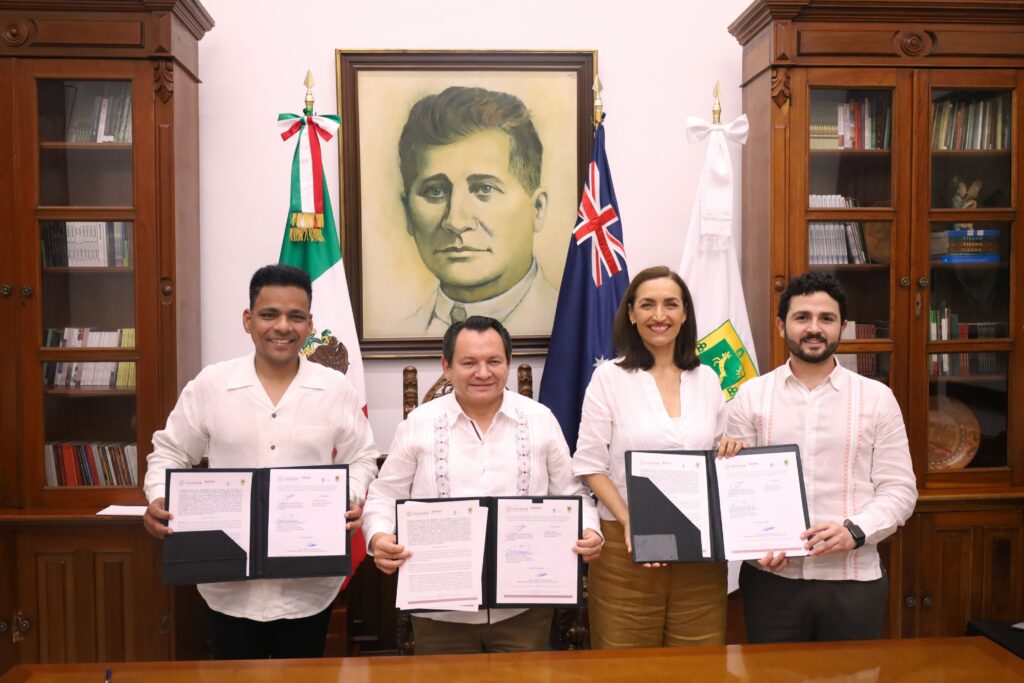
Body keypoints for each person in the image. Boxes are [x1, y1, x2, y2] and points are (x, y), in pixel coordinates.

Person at [141, 264, 380, 659]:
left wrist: (349, 497)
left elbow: (362, 457)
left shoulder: (336, 389)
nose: (282, 326)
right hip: (227, 585)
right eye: (269, 314)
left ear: (310, 324)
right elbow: (171, 451)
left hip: (308, 588)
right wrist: (158, 498)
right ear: (248, 320)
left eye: (296, 316)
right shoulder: (212, 385)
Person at [361, 315, 602, 654]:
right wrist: (379, 537)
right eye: (469, 363)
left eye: (494, 361)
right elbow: (384, 495)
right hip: (440, 611)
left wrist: (590, 530)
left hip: (525, 609)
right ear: (447, 367)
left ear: (508, 363)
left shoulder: (541, 420)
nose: (483, 372)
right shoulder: (419, 424)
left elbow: (572, 494)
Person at [719, 271, 917, 643]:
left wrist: (855, 531)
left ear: (842, 326)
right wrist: (755, 546)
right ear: (782, 325)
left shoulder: (877, 398)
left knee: (853, 673)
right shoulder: (751, 397)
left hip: (853, 581)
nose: (814, 328)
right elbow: (737, 492)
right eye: (802, 317)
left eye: (826, 318)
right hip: (772, 581)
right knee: (772, 672)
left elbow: (900, 491)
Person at [572, 265, 732, 649]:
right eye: (647, 305)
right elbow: (590, 464)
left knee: (699, 664)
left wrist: (733, 452)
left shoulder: (708, 379)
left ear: (685, 313)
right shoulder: (609, 378)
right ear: (631, 314)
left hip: (700, 554)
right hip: (624, 549)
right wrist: (632, 521)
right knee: (625, 667)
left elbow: (717, 458)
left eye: (670, 304)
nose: (659, 315)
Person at [398, 86, 558, 334]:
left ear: (537, 208)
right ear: (408, 213)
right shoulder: (403, 331)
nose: (455, 221)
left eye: (485, 189)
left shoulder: (573, 328)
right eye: (435, 191)